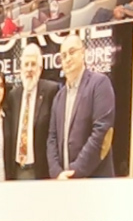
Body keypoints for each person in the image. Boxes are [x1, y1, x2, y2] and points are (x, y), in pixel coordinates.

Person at [47, 32, 117, 179]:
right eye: (63, 55)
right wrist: (57, 173)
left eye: (72, 52)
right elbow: (52, 138)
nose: (67, 59)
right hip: (64, 182)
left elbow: (101, 132)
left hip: (93, 180)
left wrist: (74, 172)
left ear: (83, 53)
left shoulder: (99, 84)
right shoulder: (58, 97)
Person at [6, 41, 60, 180]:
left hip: (40, 170)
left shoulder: (51, 91)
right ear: (21, 68)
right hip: (17, 169)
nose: (29, 69)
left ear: (40, 69)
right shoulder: (13, 95)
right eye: (26, 64)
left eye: (33, 64)